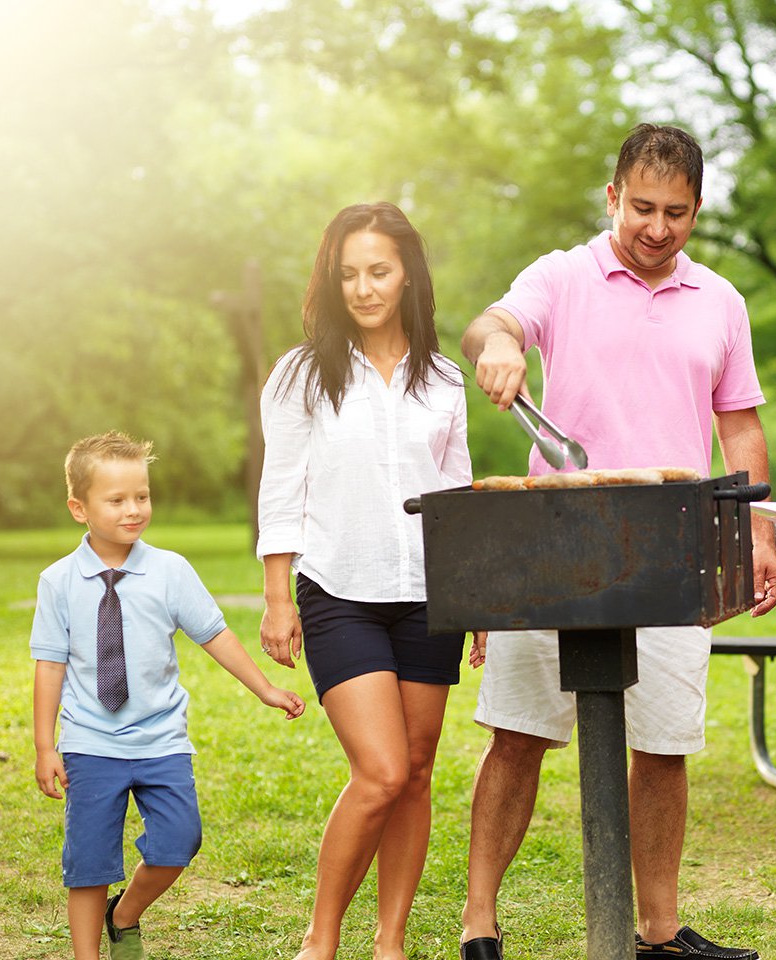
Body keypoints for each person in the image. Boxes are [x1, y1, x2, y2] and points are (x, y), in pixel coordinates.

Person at [458, 123, 776, 960]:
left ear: (697, 211)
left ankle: (659, 931)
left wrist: (758, 529)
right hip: (556, 537)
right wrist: (499, 349)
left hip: (674, 543)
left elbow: (739, 427)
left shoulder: (721, 302)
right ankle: (479, 921)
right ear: (612, 197)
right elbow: (491, 325)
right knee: (520, 732)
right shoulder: (562, 276)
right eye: (642, 207)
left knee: (664, 741)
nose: (657, 227)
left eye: (677, 212)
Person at [257, 201, 482, 960]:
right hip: (339, 590)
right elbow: (281, 490)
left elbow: (457, 498)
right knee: (381, 770)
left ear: (407, 275)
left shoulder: (444, 378)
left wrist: (474, 594)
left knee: (416, 773)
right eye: (348, 273)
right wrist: (277, 598)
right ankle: (321, 940)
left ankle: (390, 944)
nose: (362, 287)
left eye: (378, 271)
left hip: (428, 595)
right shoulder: (300, 374)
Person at [32, 431, 305, 960]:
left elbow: (216, 636)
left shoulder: (170, 571)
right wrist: (47, 746)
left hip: (162, 741)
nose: (134, 510)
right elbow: (49, 666)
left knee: (179, 843)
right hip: (91, 742)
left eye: (142, 496)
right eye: (116, 500)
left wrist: (266, 689)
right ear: (78, 508)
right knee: (89, 861)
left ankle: (125, 913)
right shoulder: (57, 582)